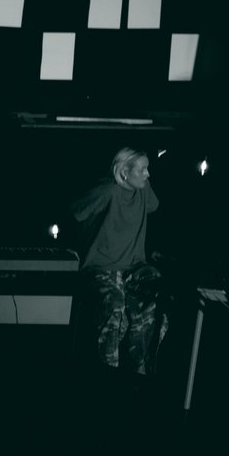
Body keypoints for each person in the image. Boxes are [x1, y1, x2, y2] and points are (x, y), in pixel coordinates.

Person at [70, 147, 165, 374]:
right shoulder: (108, 191)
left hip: (133, 267)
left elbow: (153, 206)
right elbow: (76, 213)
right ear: (124, 172)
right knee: (115, 305)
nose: (147, 174)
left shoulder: (143, 190)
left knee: (156, 294)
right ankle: (107, 367)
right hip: (102, 267)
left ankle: (142, 364)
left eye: (147, 169)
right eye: (142, 170)